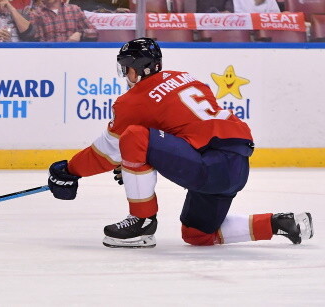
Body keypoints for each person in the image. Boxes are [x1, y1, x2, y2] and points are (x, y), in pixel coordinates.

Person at [48, 37, 314, 248]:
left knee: (133, 136)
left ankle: (142, 221)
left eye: (127, 68)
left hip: (210, 164)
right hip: (235, 164)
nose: (125, 74)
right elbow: (182, 130)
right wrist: (136, 162)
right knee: (197, 235)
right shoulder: (185, 78)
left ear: (140, 69)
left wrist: (69, 171)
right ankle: (280, 223)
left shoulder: (133, 100)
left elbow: (107, 152)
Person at [30, 0, 97, 42]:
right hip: (50, 51)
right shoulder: (36, 14)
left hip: (74, 51)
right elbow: (35, 42)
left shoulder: (74, 10)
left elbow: (94, 33)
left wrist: (80, 34)